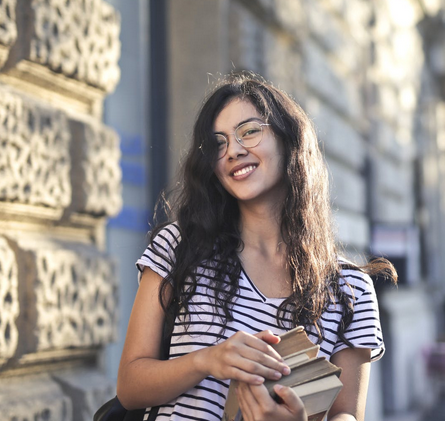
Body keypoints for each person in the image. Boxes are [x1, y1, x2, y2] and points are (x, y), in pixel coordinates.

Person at [117, 73, 396, 421]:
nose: (233, 150)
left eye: (249, 131)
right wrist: (208, 359)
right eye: (217, 143)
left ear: (287, 139)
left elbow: (347, 416)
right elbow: (129, 387)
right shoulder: (178, 247)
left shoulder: (349, 288)